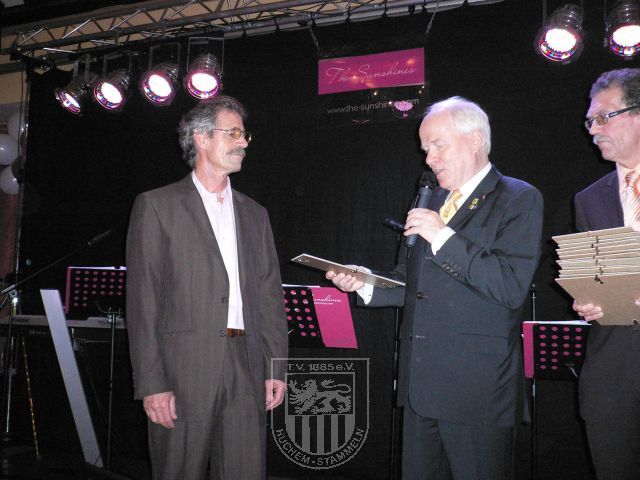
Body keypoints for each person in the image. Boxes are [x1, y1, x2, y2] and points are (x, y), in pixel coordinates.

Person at [327, 97, 543, 480]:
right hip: (420, 386)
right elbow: (410, 282)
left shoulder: (517, 197)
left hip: (477, 392)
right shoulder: (431, 200)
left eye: (438, 145)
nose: (429, 159)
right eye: (426, 148)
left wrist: (442, 236)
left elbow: (509, 286)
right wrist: (365, 281)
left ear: (475, 140)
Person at [126, 95, 288, 480]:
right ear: (201, 138)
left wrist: (275, 367)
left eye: (244, 134)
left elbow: (270, 296)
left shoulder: (255, 214)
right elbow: (144, 302)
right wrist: (152, 383)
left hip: (246, 364)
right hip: (182, 370)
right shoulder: (157, 206)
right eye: (233, 133)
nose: (243, 141)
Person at [572, 68, 640, 480]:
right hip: (612, 377)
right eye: (590, 122)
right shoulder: (589, 199)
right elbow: (594, 279)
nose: (593, 130)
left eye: (603, 117)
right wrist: (589, 301)